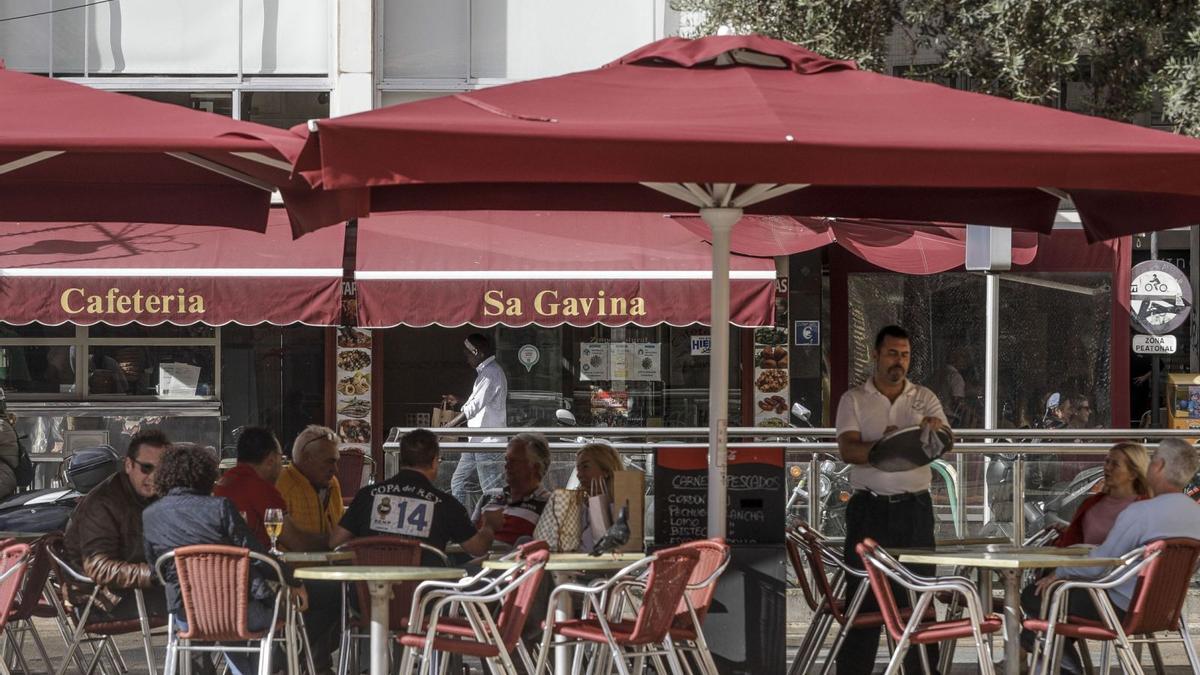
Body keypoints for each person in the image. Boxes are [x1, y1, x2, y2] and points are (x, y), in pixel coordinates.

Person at [1021, 438, 1200, 674]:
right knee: (1048, 615)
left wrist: (1059, 573)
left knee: (1034, 595)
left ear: (1158, 466)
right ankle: (1057, 659)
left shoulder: (1140, 512)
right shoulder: (1195, 515)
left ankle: (1067, 666)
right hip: (1163, 609)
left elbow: (1100, 565)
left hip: (1118, 606)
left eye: (1153, 460)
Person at [834, 325, 948, 675]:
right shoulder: (854, 398)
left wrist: (933, 432)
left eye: (905, 355)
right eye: (892, 353)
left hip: (915, 509)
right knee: (863, 601)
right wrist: (884, 447)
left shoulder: (924, 397)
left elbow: (943, 444)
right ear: (876, 355)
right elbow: (848, 449)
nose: (899, 361)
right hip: (869, 510)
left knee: (919, 599)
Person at [143, 443, 307, 675]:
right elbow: (257, 555)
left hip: (186, 616)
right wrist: (293, 581)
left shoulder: (150, 515)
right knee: (278, 614)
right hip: (236, 610)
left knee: (233, 620)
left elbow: (156, 569)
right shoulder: (220, 508)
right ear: (206, 474)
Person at [331, 428, 502, 558]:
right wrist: (489, 525)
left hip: (365, 596)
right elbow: (478, 549)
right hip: (426, 597)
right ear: (435, 462)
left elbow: (335, 542)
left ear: (402, 459)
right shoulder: (447, 505)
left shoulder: (367, 496)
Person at [63, 429, 170, 622]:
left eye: (161, 470)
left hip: (131, 590)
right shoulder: (104, 503)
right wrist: (156, 573)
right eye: (146, 468)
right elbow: (98, 567)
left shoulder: (151, 495)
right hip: (102, 599)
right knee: (197, 603)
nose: (154, 477)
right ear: (129, 465)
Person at [214, 426, 326, 551]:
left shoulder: (222, 482)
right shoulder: (261, 488)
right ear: (271, 460)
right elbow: (298, 542)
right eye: (281, 457)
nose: (283, 465)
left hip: (221, 564)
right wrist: (333, 541)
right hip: (252, 565)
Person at [443, 333, 508, 510]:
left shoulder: (491, 373)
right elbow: (477, 403)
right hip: (476, 442)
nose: (467, 360)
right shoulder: (487, 373)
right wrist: (460, 400)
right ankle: (461, 522)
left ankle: (497, 528)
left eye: (468, 355)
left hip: (487, 444)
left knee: (492, 491)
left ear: (477, 352)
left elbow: (474, 407)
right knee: (458, 482)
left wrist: (448, 427)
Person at [1054, 442, 1150, 548]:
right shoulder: (1090, 504)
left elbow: (1149, 551)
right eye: (1107, 462)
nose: (1107, 468)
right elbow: (1070, 543)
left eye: (1115, 464)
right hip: (1081, 563)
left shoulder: (1146, 508)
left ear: (1133, 474)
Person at [277, 425, 344, 543]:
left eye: (336, 462)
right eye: (329, 461)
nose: (335, 469)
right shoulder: (282, 485)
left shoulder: (332, 483)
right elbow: (291, 542)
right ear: (307, 458)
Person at [486, 433, 552, 547]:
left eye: (514, 461)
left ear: (535, 467)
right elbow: (467, 538)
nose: (506, 466)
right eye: (506, 460)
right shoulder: (488, 497)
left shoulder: (549, 505)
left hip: (510, 562)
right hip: (466, 561)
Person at [575, 442, 623, 551]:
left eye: (585, 467)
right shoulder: (580, 507)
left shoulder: (620, 508)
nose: (579, 474)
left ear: (606, 470)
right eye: (578, 468)